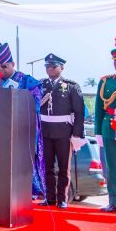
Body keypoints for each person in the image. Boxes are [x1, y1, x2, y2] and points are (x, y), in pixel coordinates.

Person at [0, 42, 46, 198]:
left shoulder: (27, 80)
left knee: (21, 162)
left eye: (4, 66)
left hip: (21, 130)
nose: (1, 70)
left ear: (13, 64)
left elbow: (36, 103)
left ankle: (28, 191)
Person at [38, 53, 85, 209]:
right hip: (45, 131)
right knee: (47, 166)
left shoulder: (71, 86)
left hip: (64, 132)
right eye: (47, 66)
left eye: (53, 66)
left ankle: (62, 199)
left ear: (62, 67)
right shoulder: (41, 84)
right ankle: (49, 197)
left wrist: (76, 134)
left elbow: (79, 111)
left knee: (64, 168)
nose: (49, 69)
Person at [94, 37, 116, 213]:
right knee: (111, 167)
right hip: (109, 127)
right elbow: (98, 108)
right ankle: (115, 201)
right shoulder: (106, 81)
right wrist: (98, 132)